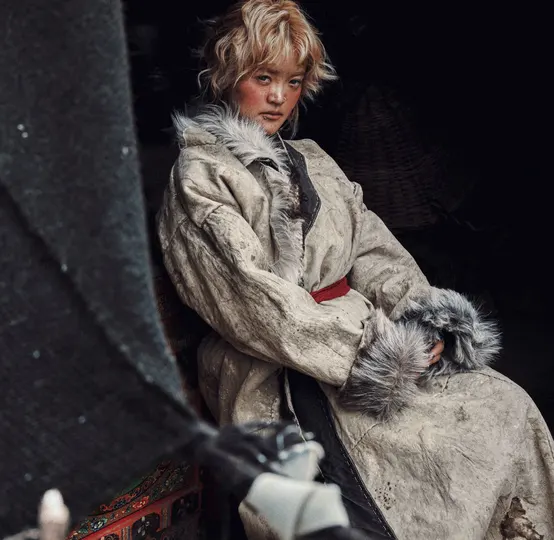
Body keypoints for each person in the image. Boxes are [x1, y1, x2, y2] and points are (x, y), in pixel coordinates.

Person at [155, 0, 554, 538]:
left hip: (377, 345)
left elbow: (374, 253)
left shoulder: (315, 160)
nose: (278, 97)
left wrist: (424, 324)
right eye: (263, 77)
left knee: (504, 407)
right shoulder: (200, 176)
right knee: (389, 494)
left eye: (293, 81)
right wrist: (371, 353)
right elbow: (254, 305)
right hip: (283, 367)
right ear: (226, 75)